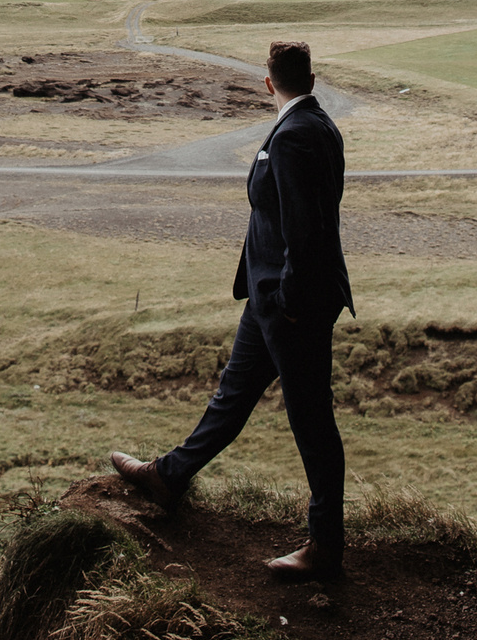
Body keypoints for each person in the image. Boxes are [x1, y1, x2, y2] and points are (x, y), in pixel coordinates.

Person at [111, 37, 353, 577]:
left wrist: (288, 303)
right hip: (271, 303)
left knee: (312, 421)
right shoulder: (320, 125)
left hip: (292, 306)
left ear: (269, 83)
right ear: (311, 81)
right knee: (232, 396)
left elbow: (302, 231)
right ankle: (167, 477)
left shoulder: (293, 136)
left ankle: (325, 547)